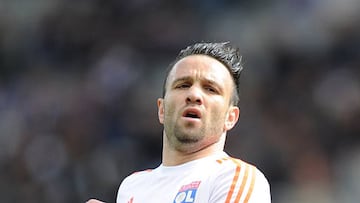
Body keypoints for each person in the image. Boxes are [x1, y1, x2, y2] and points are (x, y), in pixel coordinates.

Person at [87, 42, 271, 203]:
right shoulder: (132, 186)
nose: (194, 95)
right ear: (162, 109)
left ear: (230, 117)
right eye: (183, 85)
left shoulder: (236, 177)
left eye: (210, 89)